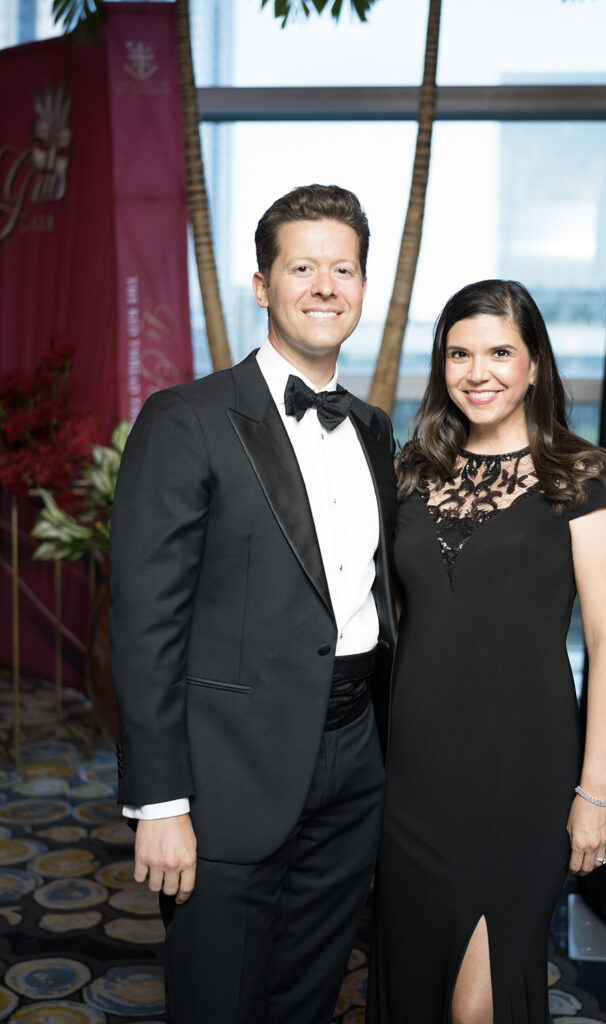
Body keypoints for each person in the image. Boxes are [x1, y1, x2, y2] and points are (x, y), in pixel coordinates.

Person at [110, 184, 398, 1024]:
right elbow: (145, 623)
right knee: (218, 1004)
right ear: (263, 284)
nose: (324, 285)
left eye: (342, 268)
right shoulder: (186, 419)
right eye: (301, 266)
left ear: (362, 286)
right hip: (227, 774)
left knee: (308, 997)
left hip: (354, 761)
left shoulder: (375, 429)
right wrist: (160, 802)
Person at [366, 279, 606, 1024]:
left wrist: (596, 791)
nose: (476, 372)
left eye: (499, 352)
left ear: (535, 365)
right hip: (412, 775)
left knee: (477, 1004)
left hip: (523, 775)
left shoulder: (583, 477)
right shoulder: (410, 476)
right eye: (459, 353)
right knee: (411, 981)